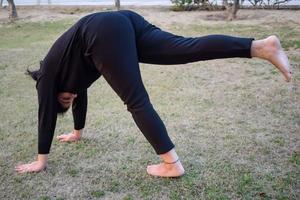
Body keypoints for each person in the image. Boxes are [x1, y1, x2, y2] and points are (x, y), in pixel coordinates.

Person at [15, 10, 292, 177]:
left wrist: (41, 161)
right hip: (121, 23)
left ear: (51, 94)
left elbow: (45, 115)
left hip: (102, 31)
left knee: (135, 101)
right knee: (185, 49)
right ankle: (260, 47)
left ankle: (171, 164)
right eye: (70, 100)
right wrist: (77, 132)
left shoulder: (46, 76)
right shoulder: (71, 78)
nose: (72, 97)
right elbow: (80, 92)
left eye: (65, 99)